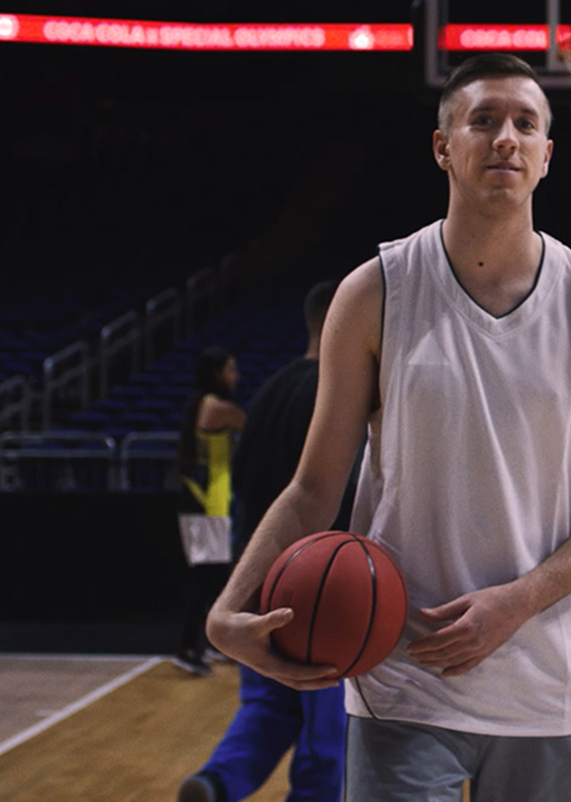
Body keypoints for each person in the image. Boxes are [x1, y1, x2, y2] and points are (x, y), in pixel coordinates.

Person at [206, 53, 571, 802]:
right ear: (444, 146)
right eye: (483, 120)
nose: (505, 137)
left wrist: (515, 602)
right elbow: (315, 488)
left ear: (548, 156)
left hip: (549, 680)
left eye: (525, 123)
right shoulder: (375, 291)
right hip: (402, 679)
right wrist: (229, 607)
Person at [178, 280, 351, 802]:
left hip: (259, 574)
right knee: (328, 726)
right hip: (320, 584)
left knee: (267, 706)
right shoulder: (339, 393)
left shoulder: (269, 391)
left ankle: (217, 782)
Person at [176, 347, 246, 676]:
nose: (237, 376)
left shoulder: (199, 404)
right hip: (209, 502)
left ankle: (208, 645)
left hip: (200, 499)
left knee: (212, 580)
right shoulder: (219, 409)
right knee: (205, 581)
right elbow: (255, 425)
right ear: (217, 373)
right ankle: (188, 649)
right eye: (231, 369)